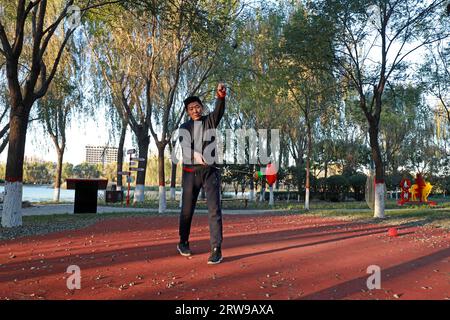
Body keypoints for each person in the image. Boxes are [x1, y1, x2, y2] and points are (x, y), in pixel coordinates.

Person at [177, 83, 226, 265]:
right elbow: (184, 146)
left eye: (197, 106)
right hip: (190, 174)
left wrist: (221, 97)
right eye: (191, 108)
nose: (195, 110)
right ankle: (183, 241)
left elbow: (219, 111)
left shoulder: (210, 121)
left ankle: (216, 249)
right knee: (187, 211)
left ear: (202, 107)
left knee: (214, 210)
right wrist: (195, 155)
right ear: (187, 112)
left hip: (210, 173)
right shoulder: (184, 127)